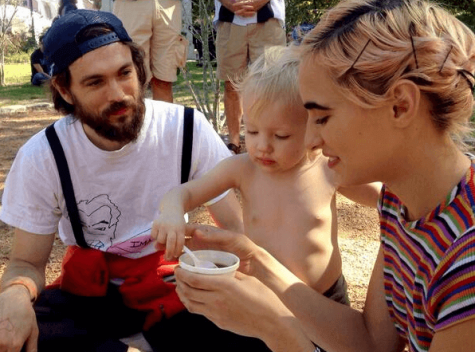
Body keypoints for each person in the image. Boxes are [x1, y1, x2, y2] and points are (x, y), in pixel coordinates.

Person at [173, 0, 475, 351]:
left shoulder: (466, 262)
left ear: (400, 105)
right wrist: (257, 262)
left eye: (323, 117)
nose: (311, 140)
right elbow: (372, 344)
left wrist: (278, 331)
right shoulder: (399, 204)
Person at [0, 9, 273, 352]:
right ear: (65, 91)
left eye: (124, 73)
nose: (119, 94)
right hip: (89, 296)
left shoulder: (185, 129)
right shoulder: (44, 156)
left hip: (178, 287)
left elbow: (234, 230)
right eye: (95, 82)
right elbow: (26, 263)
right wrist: (14, 295)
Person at [153, 46, 381, 311]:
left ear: (314, 129)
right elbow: (184, 193)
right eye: (251, 131)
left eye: (280, 136)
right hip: (266, 299)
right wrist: (171, 210)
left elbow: (388, 199)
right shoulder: (242, 169)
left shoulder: (328, 169)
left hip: (325, 299)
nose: (262, 146)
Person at [213, 0, 286, 154]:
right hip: (229, 20)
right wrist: (228, 2)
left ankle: (271, 139)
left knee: (272, 84)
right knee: (231, 84)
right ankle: (234, 143)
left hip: (268, 18)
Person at [112, 0, 188, 103]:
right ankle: (135, 120)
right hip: (128, 0)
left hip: (168, 1)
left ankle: (164, 120)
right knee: (132, 81)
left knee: (164, 80)